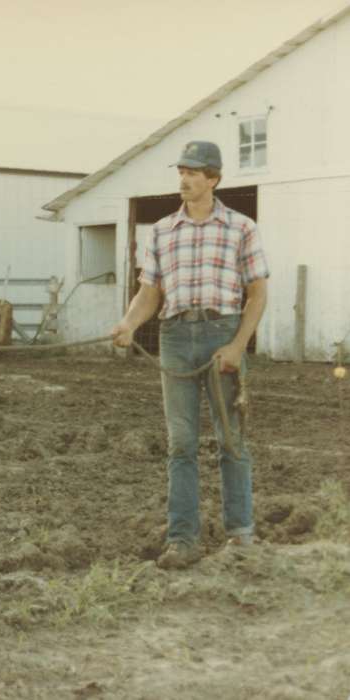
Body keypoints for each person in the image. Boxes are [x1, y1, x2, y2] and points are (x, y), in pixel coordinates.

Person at [111, 140, 269, 570]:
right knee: (180, 444)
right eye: (181, 170)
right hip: (176, 338)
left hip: (222, 335)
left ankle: (241, 535)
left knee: (230, 440)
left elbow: (257, 295)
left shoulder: (242, 228)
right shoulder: (162, 231)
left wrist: (237, 345)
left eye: (194, 172)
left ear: (213, 179)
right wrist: (128, 323)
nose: (184, 178)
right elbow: (150, 292)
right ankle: (183, 539)